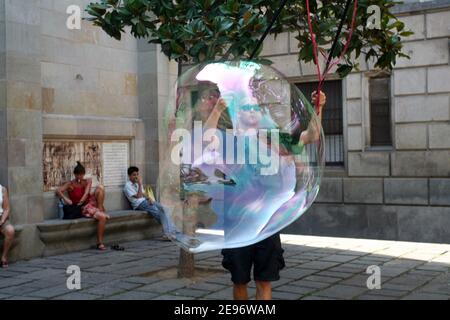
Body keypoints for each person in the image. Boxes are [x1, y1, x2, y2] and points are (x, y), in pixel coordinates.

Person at [209, 90, 327, 300]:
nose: (252, 111)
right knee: (240, 281)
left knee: (264, 281)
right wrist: (218, 109)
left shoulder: (275, 139)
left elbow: (312, 135)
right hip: (237, 223)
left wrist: (318, 108)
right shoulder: (230, 140)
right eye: (246, 107)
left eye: (255, 107)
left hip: (268, 222)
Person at [56, 161, 110, 251]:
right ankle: (99, 243)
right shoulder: (71, 184)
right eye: (77, 175)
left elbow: (86, 193)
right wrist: (66, 199)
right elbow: (58, 190)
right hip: (82, 207)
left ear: (84, 174)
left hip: (89, 202)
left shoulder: (87, 181)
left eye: (81, 175)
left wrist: (83, 199)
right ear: (74, 174)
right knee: (102, 218)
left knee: (100, 188)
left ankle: (100, 209)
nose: (79, 177)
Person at [0, 185, 15, 268]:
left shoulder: (2, 189)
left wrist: (2, 220)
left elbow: (6, 208)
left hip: (1, 218)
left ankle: (4, 257)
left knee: (10, 230)